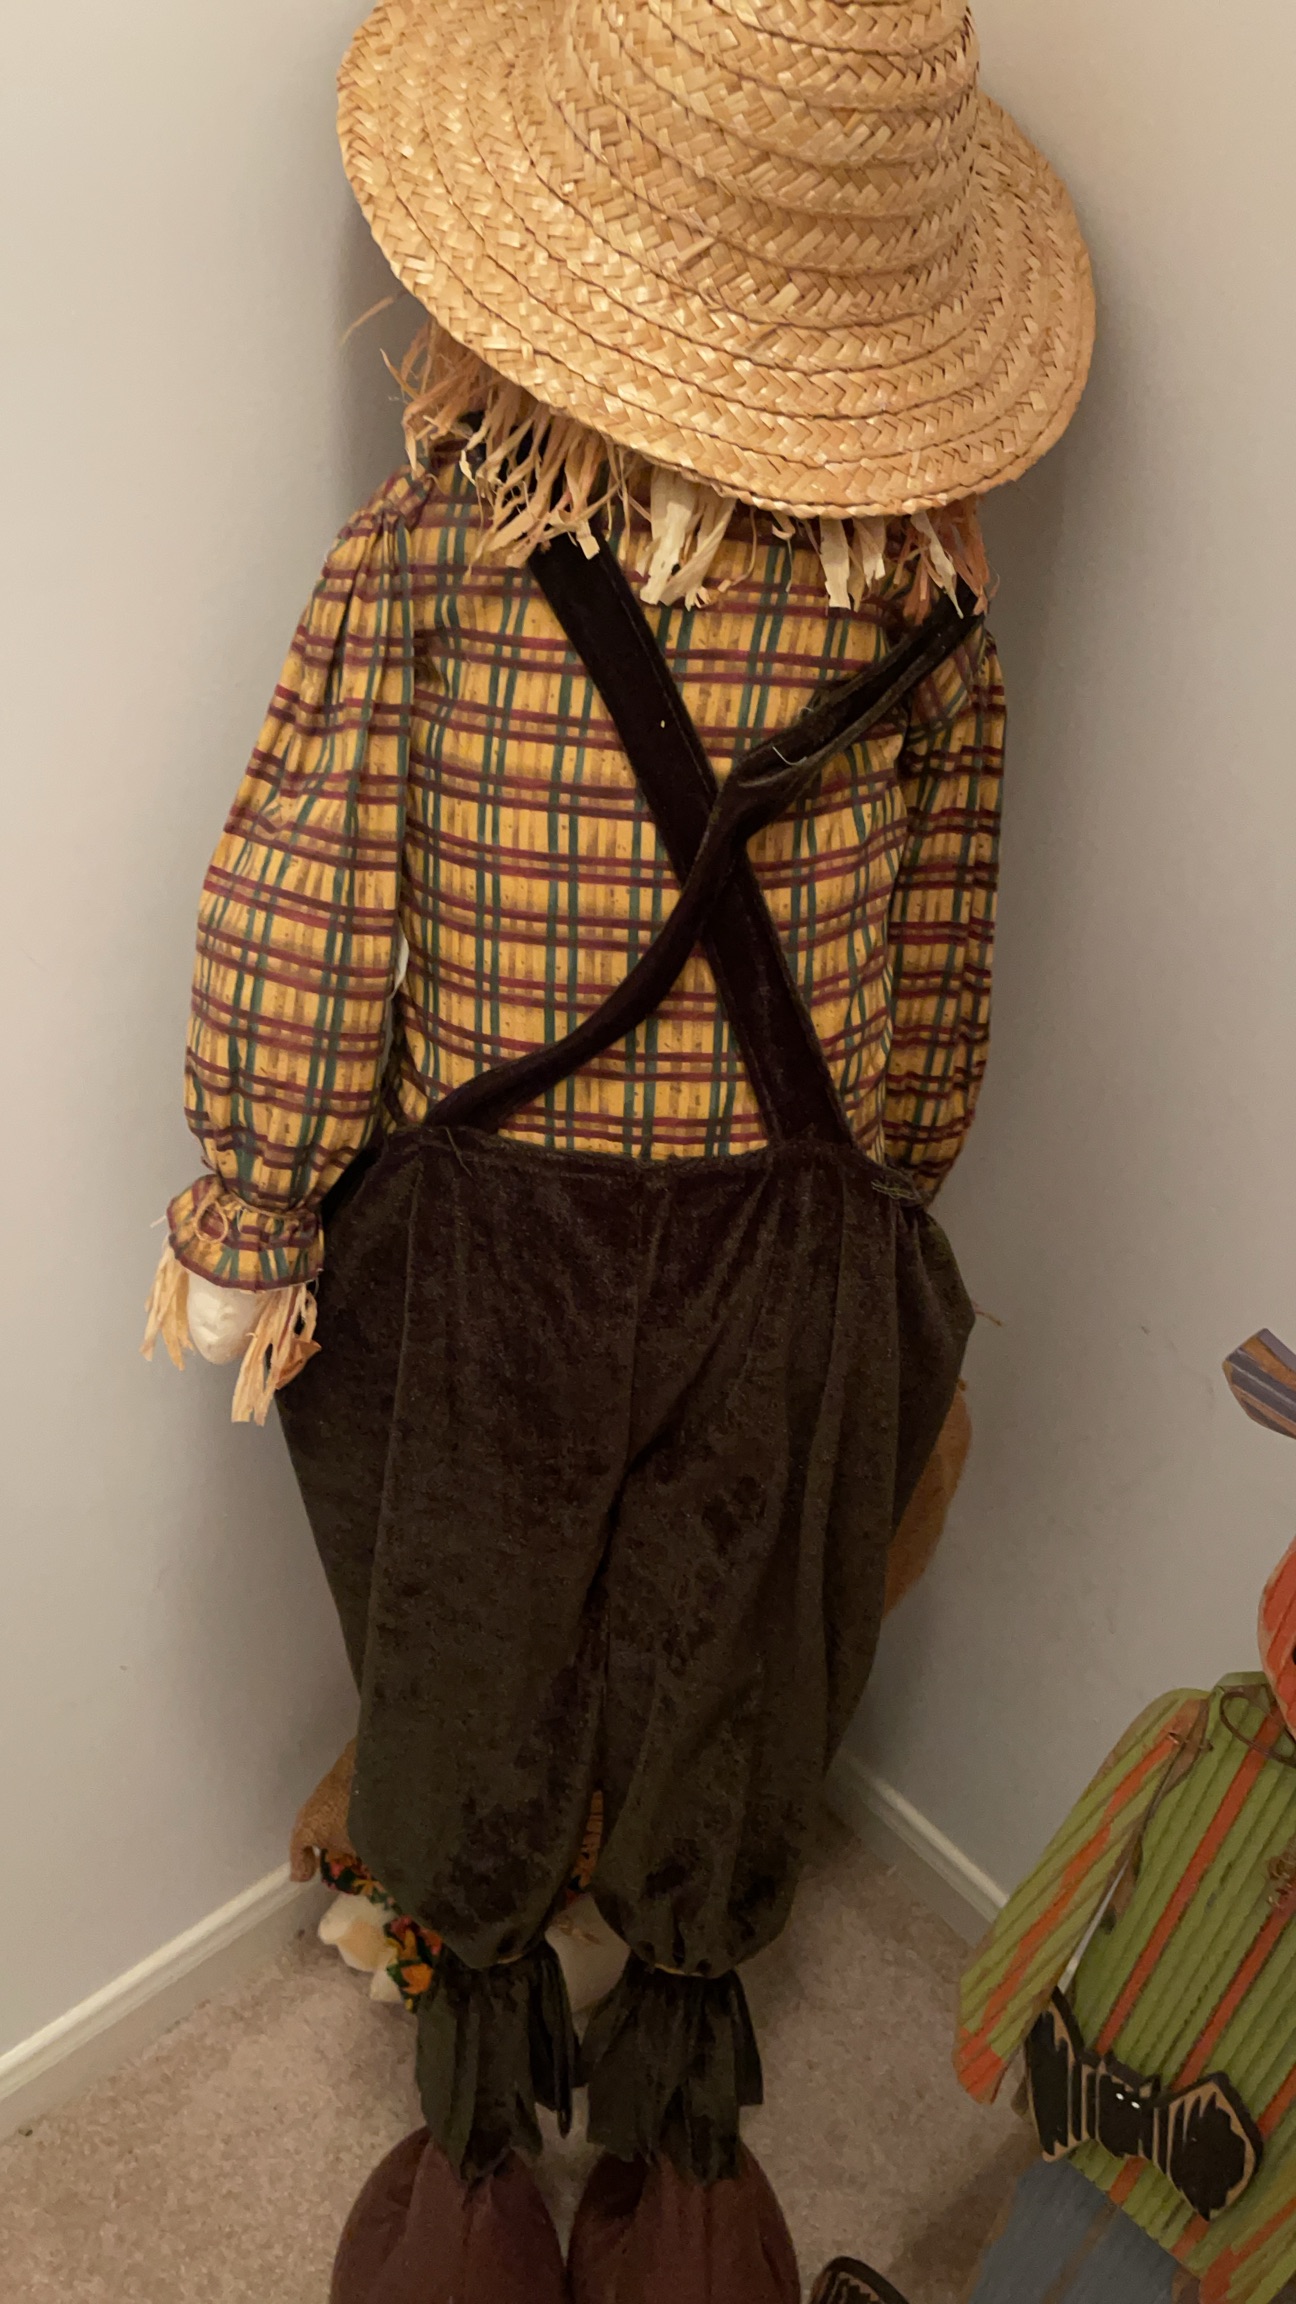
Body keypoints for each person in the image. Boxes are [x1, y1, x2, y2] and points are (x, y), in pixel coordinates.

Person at [145, 0, 1093, 2292]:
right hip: (767, 1251)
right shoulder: (926, 605)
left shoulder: (441, 549)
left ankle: (499, 2164)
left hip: (505, 1257)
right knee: (727, 1667)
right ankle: (660, 2171)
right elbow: (938, 960)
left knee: (485, 1663)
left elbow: (303, 885)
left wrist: (254, 1204)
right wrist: (894, 1187)